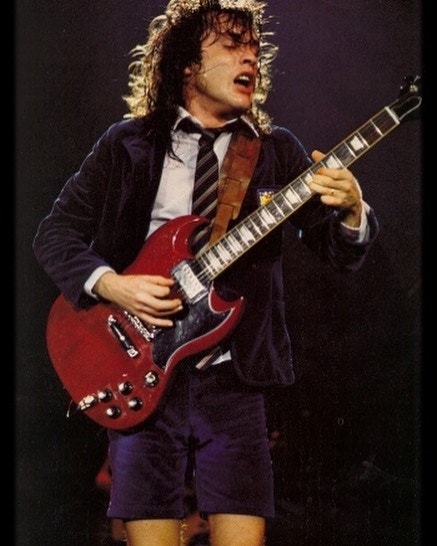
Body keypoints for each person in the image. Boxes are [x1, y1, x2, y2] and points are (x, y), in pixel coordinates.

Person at [33, 1, 379, 544]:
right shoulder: (128, 144)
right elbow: (54, 234)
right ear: (188, 64)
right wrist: (113, 285)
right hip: (137, 370)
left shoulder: (274, 151)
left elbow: (339, 253)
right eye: (232, 46)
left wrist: (354, 210)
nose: (251, 58)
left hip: (234, 379)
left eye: (255, 49)